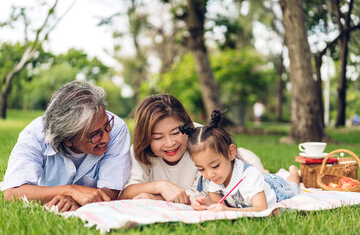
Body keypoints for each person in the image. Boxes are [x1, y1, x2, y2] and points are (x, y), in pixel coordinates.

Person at [1, 81, 131, 212]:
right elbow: (12, 193)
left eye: (106, 126)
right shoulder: (34, 135)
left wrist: (74, 199)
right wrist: (70, 191)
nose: (107, 138)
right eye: (95, 134)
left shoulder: (118, 129)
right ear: (67, 138)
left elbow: (112, 190)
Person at [119, 94, 265, 204]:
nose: (170, 143)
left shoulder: (201, 141)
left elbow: (206, 195)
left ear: (188, 125)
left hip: (247, 163)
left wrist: (155, 198)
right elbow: (125, 193)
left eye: (176, 133)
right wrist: (160, 186)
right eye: (158, 137)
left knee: (261, 178)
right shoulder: (140, 151)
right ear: (145, 138)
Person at [179, 110, 300, 212]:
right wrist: (205, 203)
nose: (209, 174)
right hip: (258, 181)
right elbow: (218, 204)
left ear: (231, 153)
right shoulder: (211, 179)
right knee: (261, 178)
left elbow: (261, 208)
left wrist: (229, 211)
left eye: (215, 166)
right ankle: (264, 175)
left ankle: (294, 173)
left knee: (293, 187)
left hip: (276, 189)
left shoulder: (249, 176)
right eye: (201, 169)